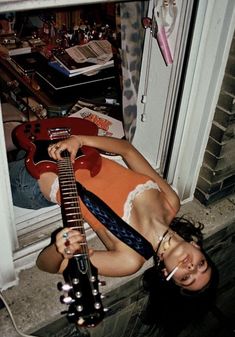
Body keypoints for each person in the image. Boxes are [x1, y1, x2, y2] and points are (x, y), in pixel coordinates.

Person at [9, 134, 215, 294]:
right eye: (201, 264)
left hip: (32, 179)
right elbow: (127, 150)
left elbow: (46, 265)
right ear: (197, 246)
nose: (191, 266)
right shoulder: (171, 201)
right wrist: (79, 139)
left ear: (166, 275)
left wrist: (61, 245)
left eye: (186, 277)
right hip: (64, 145)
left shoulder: (129, 259)